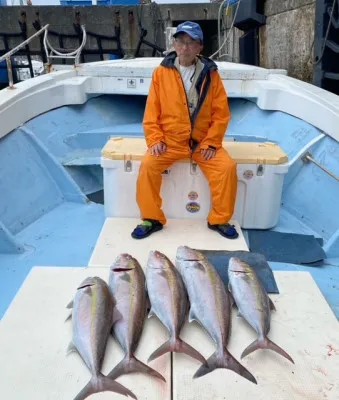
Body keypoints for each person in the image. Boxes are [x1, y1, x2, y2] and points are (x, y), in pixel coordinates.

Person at [131, 21, 238, 240]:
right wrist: (155, 140)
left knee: (227, 168)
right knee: (148, 166)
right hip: (170, 142)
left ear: (200, 48)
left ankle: (219, 219)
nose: (185, 47)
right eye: (181, 41)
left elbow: (221, 114)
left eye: (191, 43)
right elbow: (152, 112)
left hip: (202, 142)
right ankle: (152, 218)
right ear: (174, 44)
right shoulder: (160, 73)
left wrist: (211, 142)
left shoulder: (212, 75)